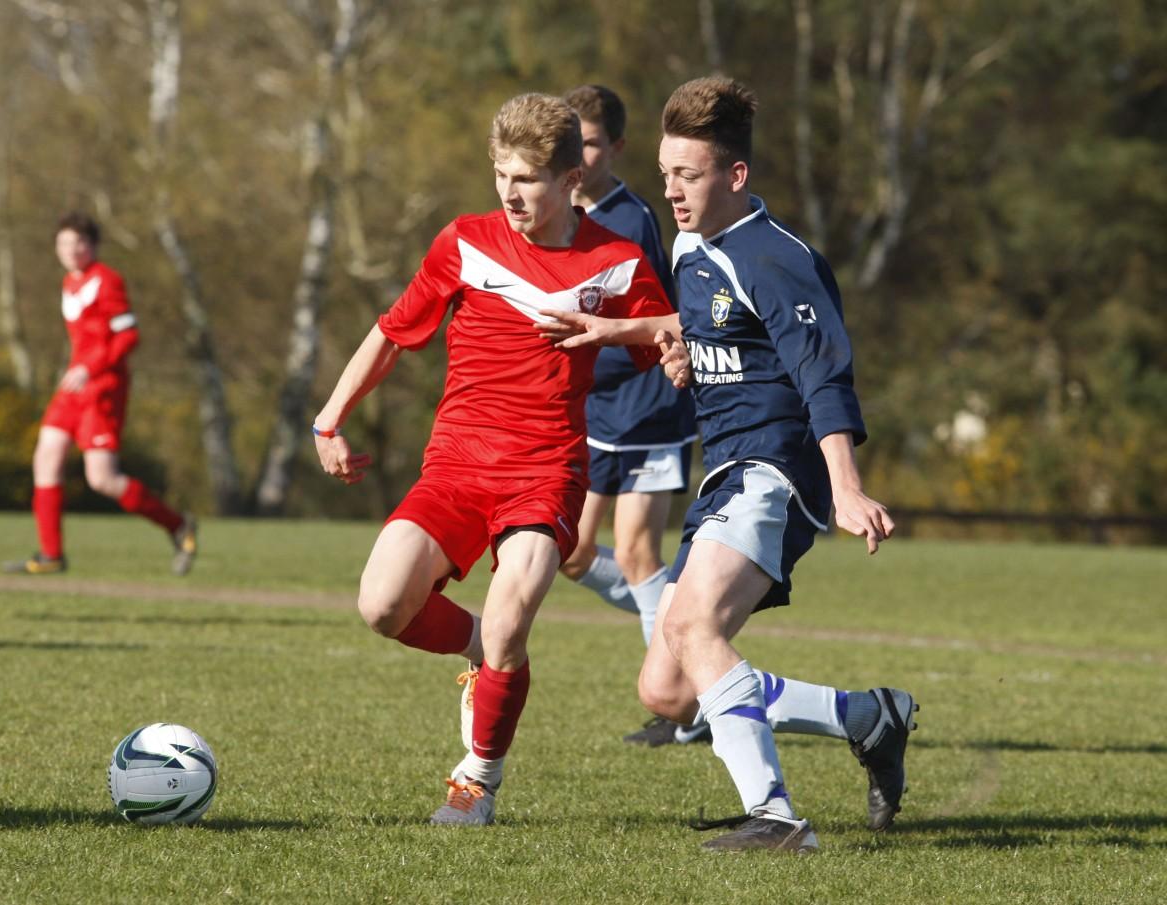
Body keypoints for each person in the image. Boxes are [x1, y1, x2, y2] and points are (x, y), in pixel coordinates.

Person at [538, 77, 918, 852]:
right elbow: (713, 322)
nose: (672, 191)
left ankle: (777, 817)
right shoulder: (690, 244)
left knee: (688, 622)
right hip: (726, 471)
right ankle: (866, 715)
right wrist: (638, 337)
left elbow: (821, 373)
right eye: (666, 171)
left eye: (690, 175)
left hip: (774, 468)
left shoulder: (779, 258)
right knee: (669, 687)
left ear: (734, 176)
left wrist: (846, 484)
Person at [311, 93, 674, 827]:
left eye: (530, 178)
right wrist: (329, 420)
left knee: (516, 620)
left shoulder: (617, 259)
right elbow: (391, 333)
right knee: (381, 604)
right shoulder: (463, 242)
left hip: (547, 471)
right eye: (502, 174)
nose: (511, 193)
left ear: (573, 177)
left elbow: (674, 333)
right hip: (456, 463)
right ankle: (479, 647)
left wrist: (622, 332)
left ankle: (476, 780)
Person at [559, 84, 705, 748]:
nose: (579, 156)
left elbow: (650, 319)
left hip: (649, 404)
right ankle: (687, 628)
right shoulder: (557, 214)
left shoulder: (632, 218)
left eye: (590, 142)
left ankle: (681, 703)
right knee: (572, 549)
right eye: (570, 143)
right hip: (596, 409)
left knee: (642, 550)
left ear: (616, 147)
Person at [3, 212, 197, 577]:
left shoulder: (107, 281)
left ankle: (177, 525)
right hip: (73, 388)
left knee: (102, 479)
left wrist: (90, 368)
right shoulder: (69, 282)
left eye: (79, 243)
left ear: (92, 246)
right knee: (45, 458)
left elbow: (128, 336)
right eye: (63, 243)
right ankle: (51, 555)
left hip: (102, 389)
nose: (70, 250)